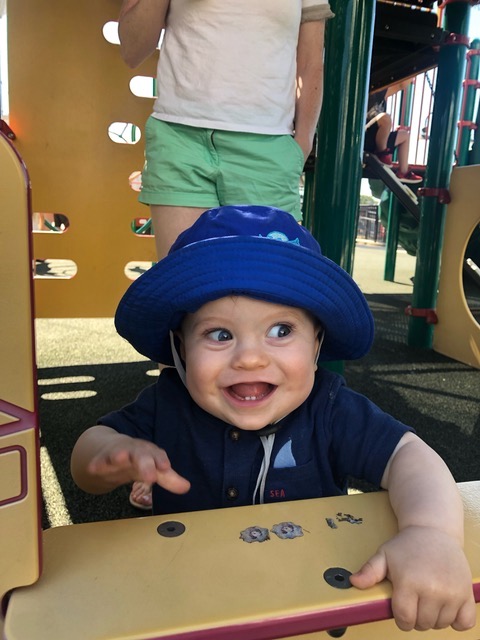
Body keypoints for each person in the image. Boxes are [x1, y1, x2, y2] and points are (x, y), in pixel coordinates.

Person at [71, 205, 476, 633]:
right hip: (189, 599)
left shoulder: (329, 408)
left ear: (316, 344)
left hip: (309, 602)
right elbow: (88, 457)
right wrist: (109, 454)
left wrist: (430, 533)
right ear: (180, 348)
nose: (249, 358)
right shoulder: (168, 405)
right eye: (219, 334)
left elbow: (409, 456)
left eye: (281, 330)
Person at [118, 0, 333, 509]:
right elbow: (132, 47)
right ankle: (174, 445)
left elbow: (311, 60)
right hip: (180, 133)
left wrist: (300, 143)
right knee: (186, 298)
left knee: (270, 300)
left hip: (268, 144)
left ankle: (276, 451)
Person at [365, 80, 423, 184]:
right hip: (365, 137)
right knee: (385, 118)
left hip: (378, 140)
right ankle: (382, 153)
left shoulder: (381, 96)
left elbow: (401, 85)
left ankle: (403, 172)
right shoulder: (368, 92)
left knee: (404, 135)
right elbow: (400, 85)